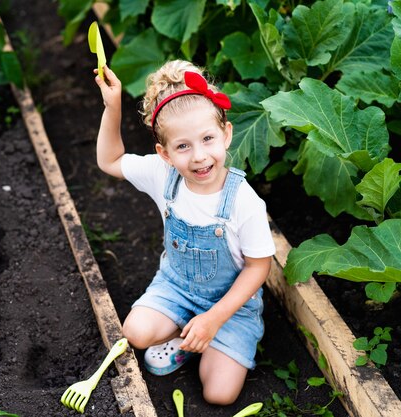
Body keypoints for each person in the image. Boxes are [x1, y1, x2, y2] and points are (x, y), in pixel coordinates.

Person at [93, 60, 275, 405]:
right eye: (183, 146)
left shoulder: (244, 202)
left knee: (219, 393)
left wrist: (214, 318)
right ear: (164, 153)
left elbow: (258, 268)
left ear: (226, 134)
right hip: (177, 287)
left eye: (208, 139)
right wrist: (112, 105)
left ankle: (200, 333)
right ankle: (187, 332)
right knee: (135, 332)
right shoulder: (163, 176)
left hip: (231, 308)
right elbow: (110, 161)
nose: (199, 156)